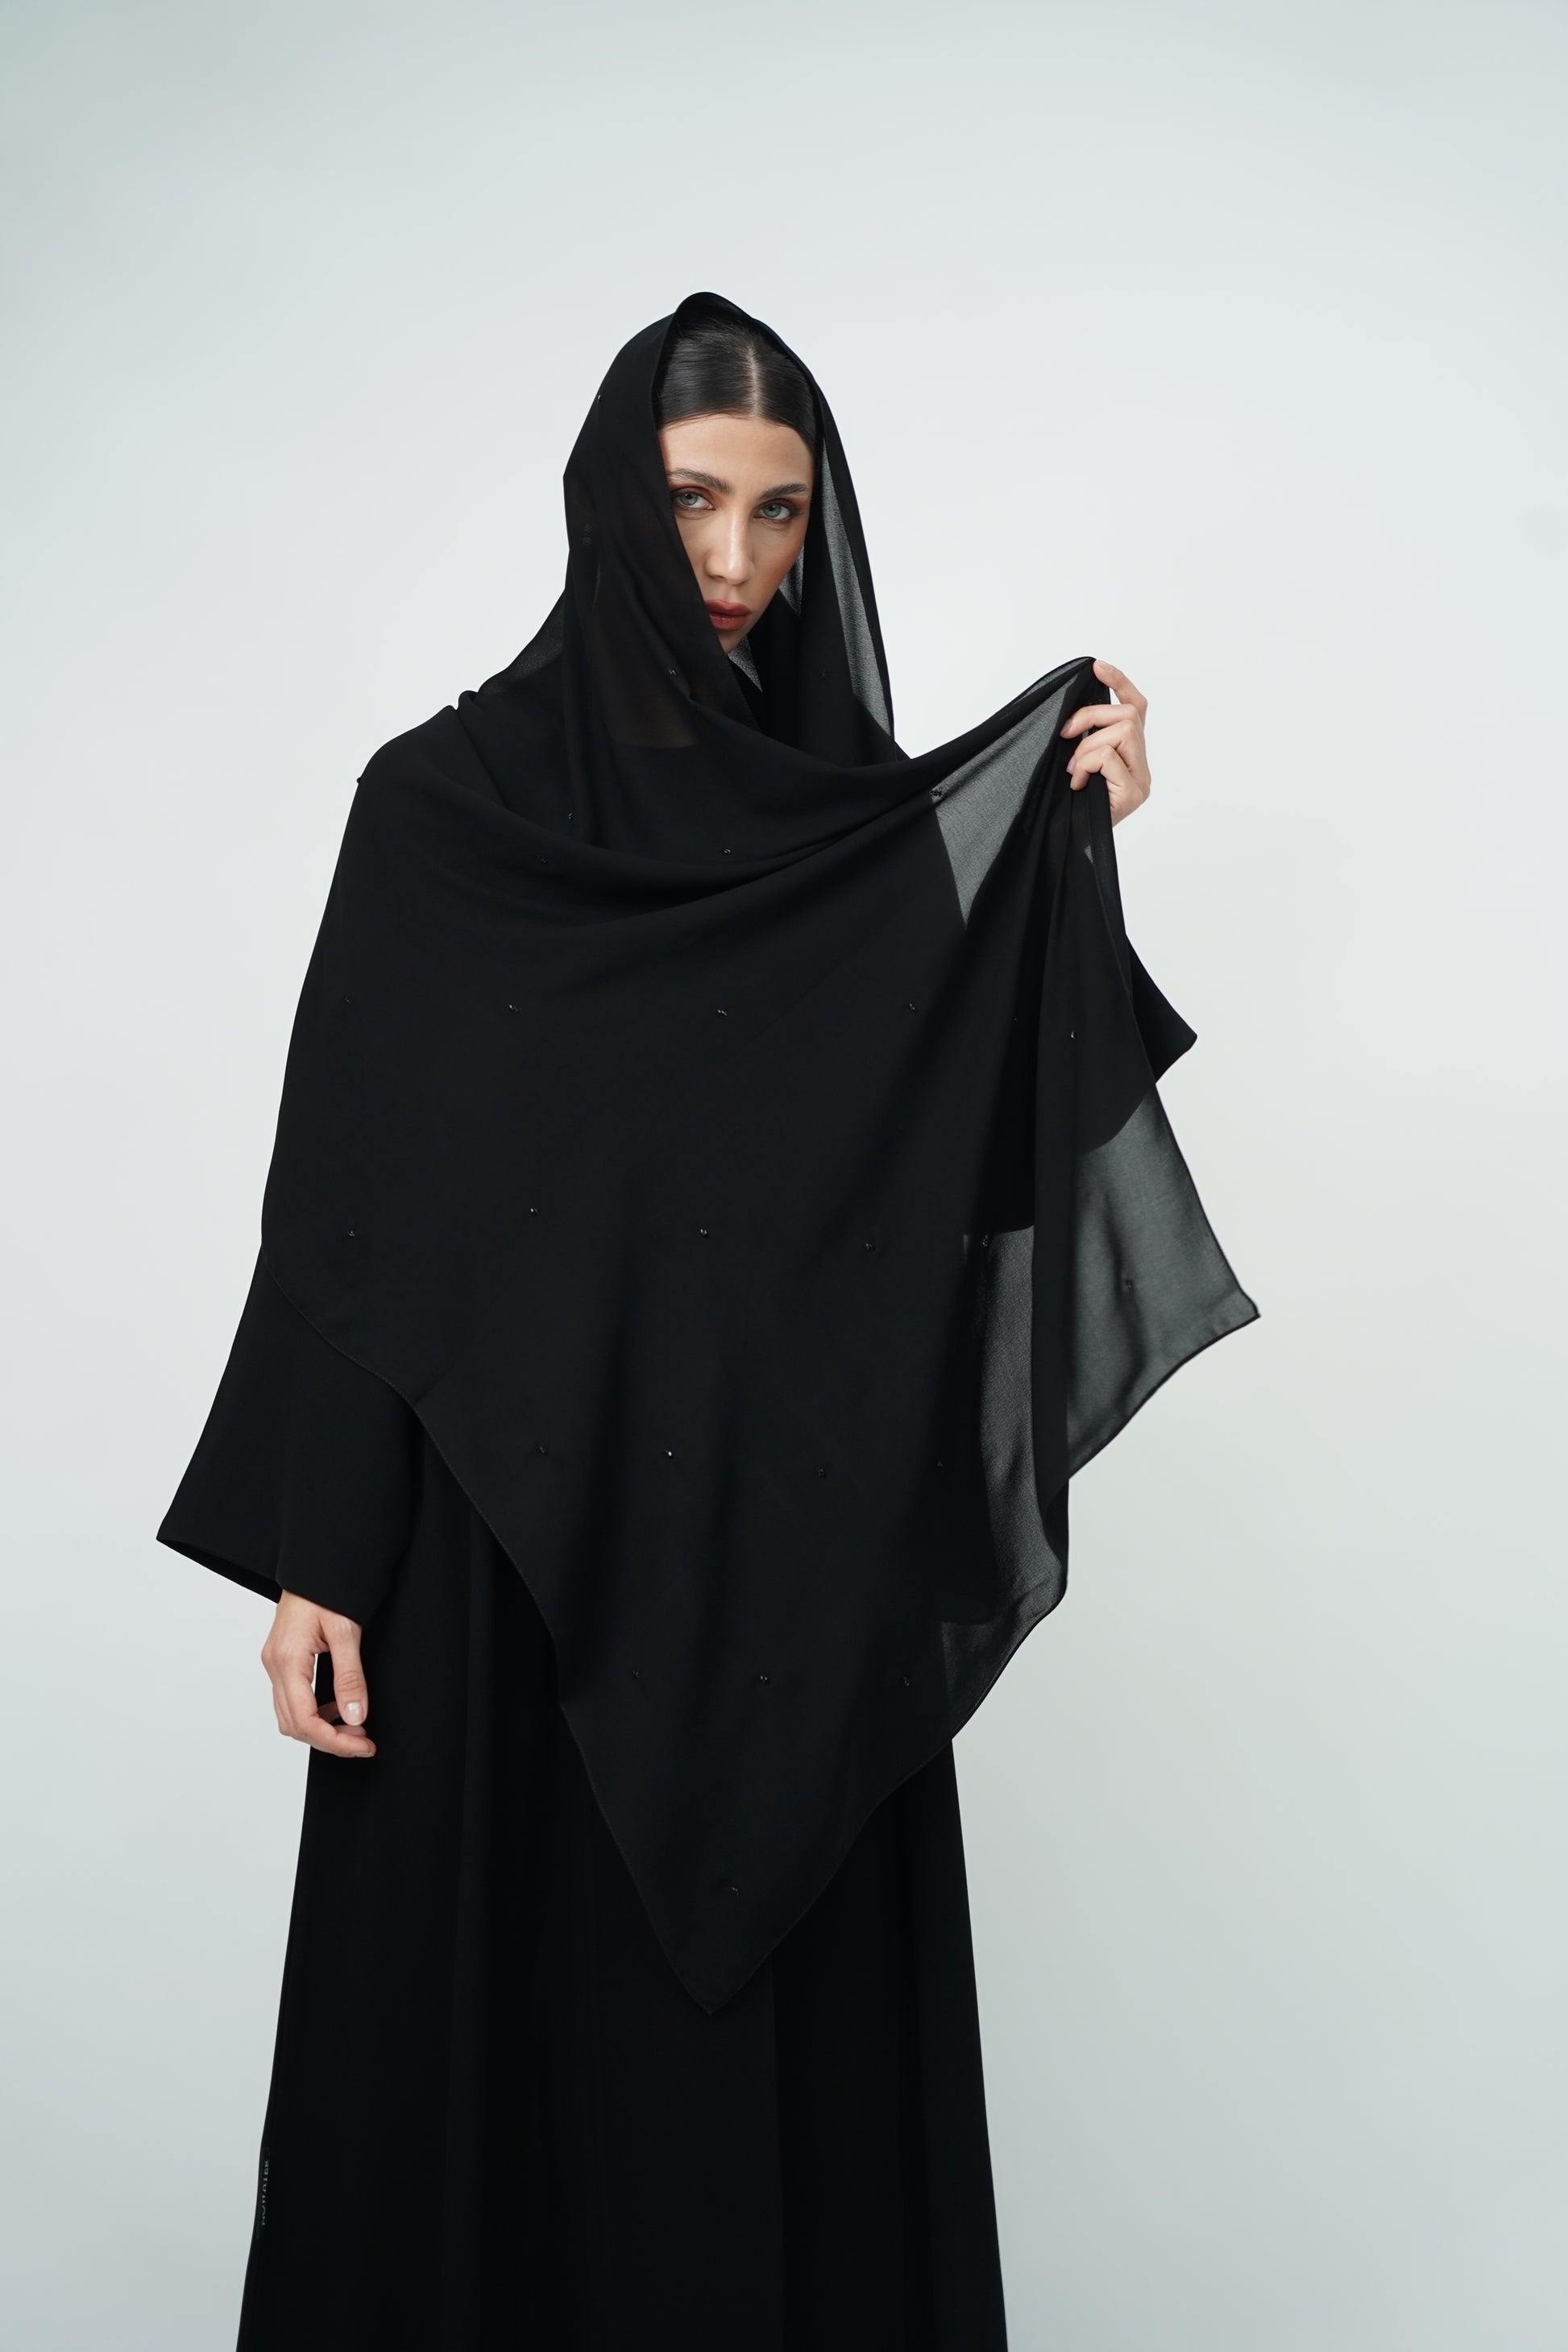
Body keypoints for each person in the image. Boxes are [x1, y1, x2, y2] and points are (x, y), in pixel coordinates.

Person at [160, 292, 1255, 2351]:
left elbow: (963, 1183)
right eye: (688, 502)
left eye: (776, 511)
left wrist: (1066, 866)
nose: (735, 561)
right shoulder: (443, 807)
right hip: (501, 1553)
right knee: (479, 2085)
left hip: (784, 1566)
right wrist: (320, 1553)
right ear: (605, 502)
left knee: (771, 2127)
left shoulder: (855, 836)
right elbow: (352, 1200)